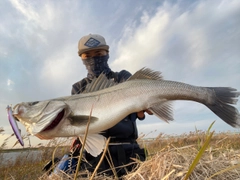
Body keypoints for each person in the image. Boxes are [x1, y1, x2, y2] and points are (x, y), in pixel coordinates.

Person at [44, 34, 151, 177]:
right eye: (87, 55)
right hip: (93, 159)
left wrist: (144, 108)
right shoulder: (78, 88)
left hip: (129, 153)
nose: (93, 59)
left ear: (107, 54)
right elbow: (76, 123)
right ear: (81, 58)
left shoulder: (122, 77)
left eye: (99, 53)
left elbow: (141, 102)